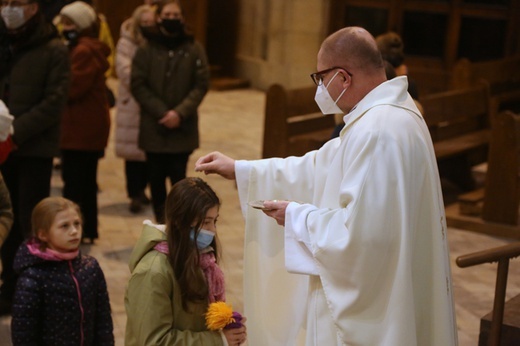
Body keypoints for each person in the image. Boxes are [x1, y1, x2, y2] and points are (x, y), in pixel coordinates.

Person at [195, 26, 458, 345]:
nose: (319, 88)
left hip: (377, 309)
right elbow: (320, 166)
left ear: (343, 78)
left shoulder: (376, 131)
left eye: (320, 78)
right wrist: (240, 169)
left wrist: (296, 217)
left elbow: (362, 237)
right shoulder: (394, 116)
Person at [0, 0, 70, 315]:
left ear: (32, 8)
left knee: (29, 222)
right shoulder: (5, 42)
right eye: (4, 2)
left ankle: (27, 289)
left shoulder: (53, 47)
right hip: (3, 145)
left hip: (33, 149)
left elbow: (55, 101)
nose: (8, 8)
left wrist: (15, 134)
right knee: (5, 216)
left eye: (16, 3)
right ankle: (9, 286)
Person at [125, 177, 247, 345]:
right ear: (179, 221)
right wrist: (218, 341)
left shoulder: (199, 260)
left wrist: (224, 324)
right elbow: (154, 341)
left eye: (215, 221)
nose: (213, 230)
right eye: (206, 222)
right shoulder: (153, 272)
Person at [131, 0, 210, 223]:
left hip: (182, 127)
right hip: (154, 125)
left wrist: (179, 113)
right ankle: (159, 220)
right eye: (167, 14)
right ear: (159, 17)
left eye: (176, 14)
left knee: (178, 178)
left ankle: (177, 223)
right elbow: (138, 83)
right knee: (155, 177)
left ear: (182, 18)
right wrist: (161, 112)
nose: (172, 18)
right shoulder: (146, 48)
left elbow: (201, 83)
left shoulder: (193, 48)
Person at [10, 196, 114, 345]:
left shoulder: (91, 268)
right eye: (64, 226)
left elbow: (103, 320)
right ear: (43, 234)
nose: (74, 231)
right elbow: (24, 334)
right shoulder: (32, 278)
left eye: (77, 224)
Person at [59, 1, 111, 243]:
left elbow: (71, 89)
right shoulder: (86, 48)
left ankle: (75, 231)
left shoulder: (82, 51)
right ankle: (88, 230)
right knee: (87, 181)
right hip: (87, 128)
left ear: (79, 25)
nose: (63, 26)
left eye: (68, 23)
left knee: (75, 184)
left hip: (80, 130)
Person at [114, 4, 155, 214]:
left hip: (151, 103)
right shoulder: (126, 41)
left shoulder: (157, 40)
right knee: (132, 154)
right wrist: (147, 84)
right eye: (144, 23)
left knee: (149, 151)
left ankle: (144, 189)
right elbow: (124, 69)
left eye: (151, 22)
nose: (148, 26)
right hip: (133, 102)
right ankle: (134, 193)